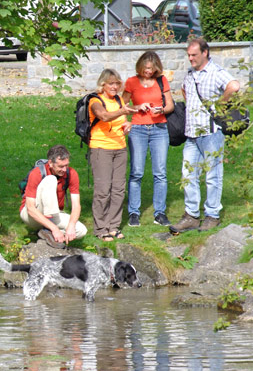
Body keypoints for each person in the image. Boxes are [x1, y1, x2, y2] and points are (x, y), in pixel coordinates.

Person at [170, 38, 240, 234]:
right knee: (188, 175)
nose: (190, 58)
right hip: (192, 134)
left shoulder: (216, 72)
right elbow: (185, 92)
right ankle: (191, 215)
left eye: (194, 55)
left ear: (205, 53)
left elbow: (234, 86)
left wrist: (220, 103)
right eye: (189, 55)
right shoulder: (190, 74)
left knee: (213, 176)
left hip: (211, 133)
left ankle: (212, 216)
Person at [123, 51, 175, 228]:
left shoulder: (162, 81)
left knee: (160, 173)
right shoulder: (131, 81)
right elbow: (122, 106)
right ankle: (133, 212)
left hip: (159, 129)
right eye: (145, 69)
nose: (148, 72)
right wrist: (137, 108)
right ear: (140, 66)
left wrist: (161, 110)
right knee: (136, 172)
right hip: (138, 129)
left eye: (151, 69)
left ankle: (159, 212)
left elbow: (170, 105)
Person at [88, 69, 138, 242]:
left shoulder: (118, 100)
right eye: (111, 83)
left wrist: (127, 125)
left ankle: (113, 226)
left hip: (120, 148)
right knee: (103, 191)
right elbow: (104, 116)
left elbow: (121, 121)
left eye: (117, 83)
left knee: (118, 190)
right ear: (103, 84)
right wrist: (123, 112)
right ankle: (101, 228)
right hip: (101, 148)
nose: (115, 87)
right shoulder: (95, 100)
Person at [20, 145, 87, 246]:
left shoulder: (71, 173)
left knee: (81, 230)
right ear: (50, 163)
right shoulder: (37, 173)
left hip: (54, 214)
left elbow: (76, 205)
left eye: (66, 165)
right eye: (61, 166)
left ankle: (48, 235)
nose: (64, 169)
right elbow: (30, 208)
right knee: (51, 179)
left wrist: (71, 226)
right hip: (31, 215)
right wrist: (54, 228)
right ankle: (50, 229)